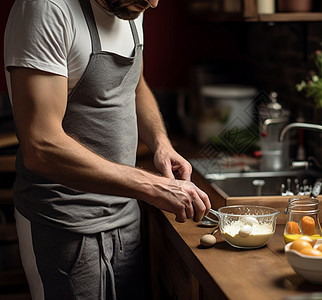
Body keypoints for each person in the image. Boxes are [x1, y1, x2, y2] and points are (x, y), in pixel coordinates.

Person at [4, 0, 210, 298]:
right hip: (65, 224)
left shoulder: (130, 7)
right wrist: (153, 186)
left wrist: (161, 143)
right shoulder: (46, 9)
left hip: (125, 215)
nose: (153, 3)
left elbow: (135, 84)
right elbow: (41, 146)